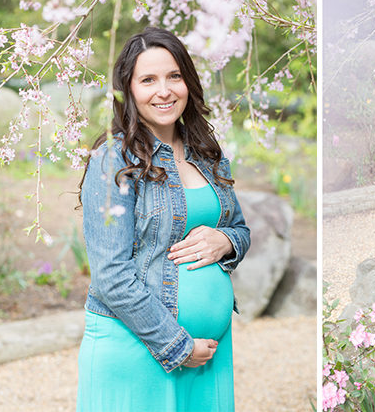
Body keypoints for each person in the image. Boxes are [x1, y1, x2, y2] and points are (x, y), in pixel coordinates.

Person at [76, 27, 250, 411]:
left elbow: (238, 227)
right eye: (148, 80)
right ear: (128, 90)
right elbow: (110, 275)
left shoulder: (207, 152)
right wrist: (177, 345)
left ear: (188, 81)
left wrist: (228, 241)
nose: (165, 90)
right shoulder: (114, 160)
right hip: (140, 351)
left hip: (208, 359)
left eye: (174, 76)